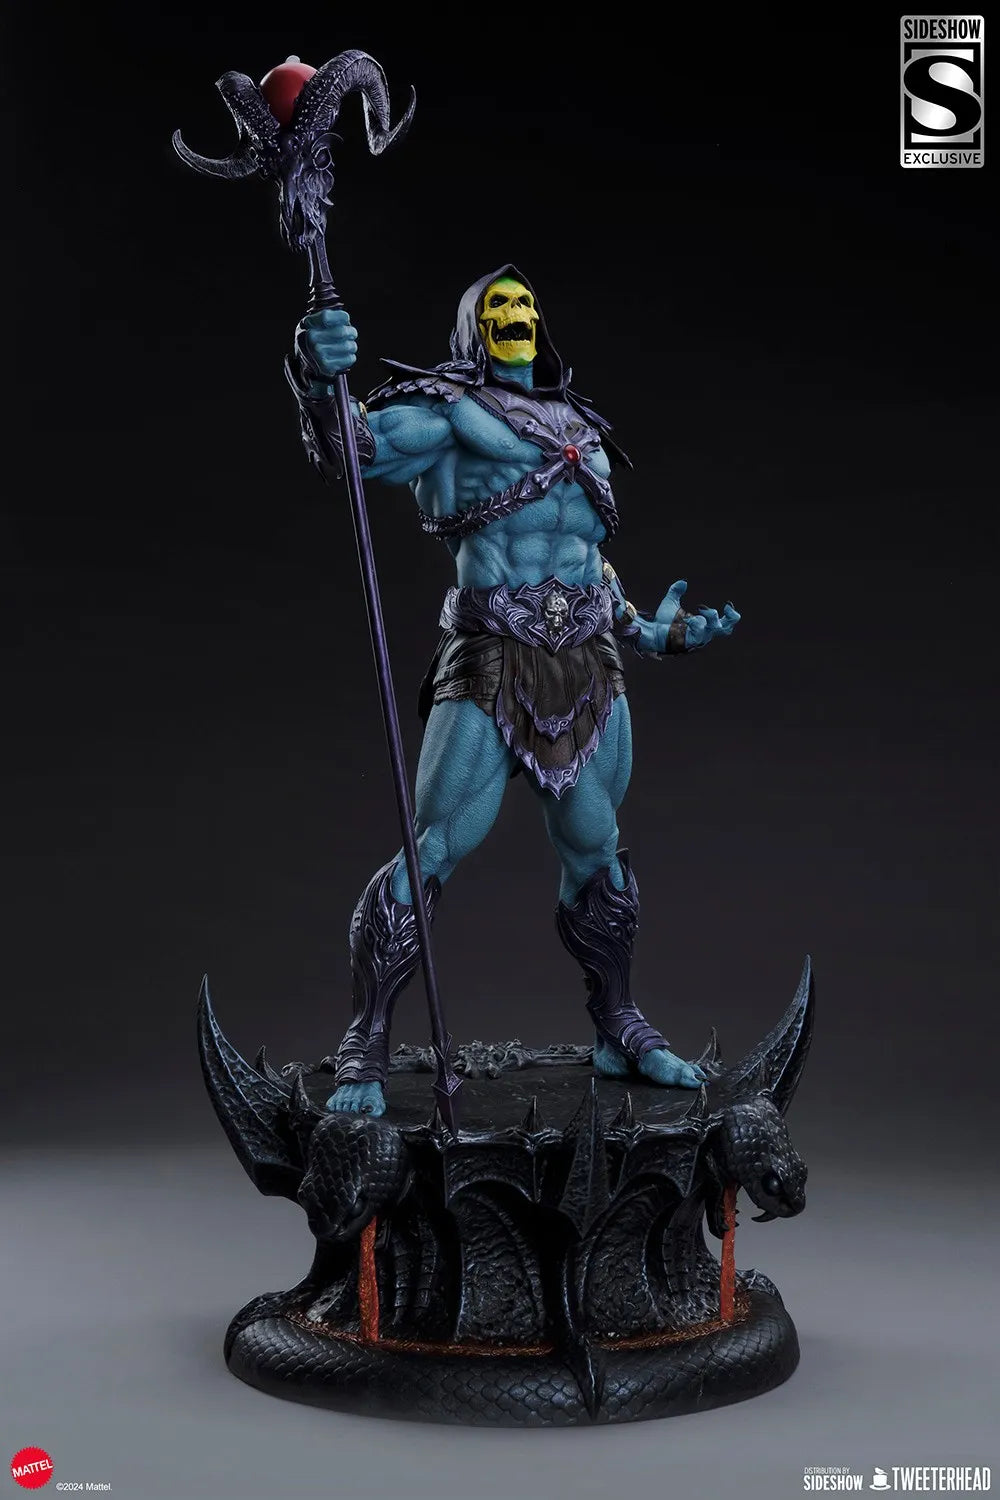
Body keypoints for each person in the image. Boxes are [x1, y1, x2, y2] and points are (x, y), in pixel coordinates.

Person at [286, 265, 740, 1116]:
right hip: (493, 654)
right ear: (476, 330)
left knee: (597, 851)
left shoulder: (583, 429)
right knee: (435, 845)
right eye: (499, 305)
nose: (518, 312)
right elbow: (352, 447)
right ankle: (366, 1042)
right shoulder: (451, 414)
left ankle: (618, 1025)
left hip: (589, 661)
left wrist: (648, 629)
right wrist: (317, 375)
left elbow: (587, 557)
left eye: (527, 302)